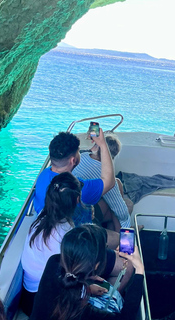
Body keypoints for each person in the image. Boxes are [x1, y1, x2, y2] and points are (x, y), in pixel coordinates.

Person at [21, 172, 133, 316]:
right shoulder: (65, 235)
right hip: (55, 297)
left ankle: (124, 252)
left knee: (116, 234)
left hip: (30, 296)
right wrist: (88, 289)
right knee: (128, 266)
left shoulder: (43, 216)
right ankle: (108, 304)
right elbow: (69, 277)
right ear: (77, 199)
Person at [30, 225, 145, 320]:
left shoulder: (54, 262)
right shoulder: (86, 314)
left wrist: (87, 288)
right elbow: (126, 317)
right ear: (96, 265)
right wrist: (139, 269)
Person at [33, 130, 115, 222]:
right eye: (78, 151)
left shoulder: (43, 174)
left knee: (103, 207)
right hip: (76, 234)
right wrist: (103, 144)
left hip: (47, 226)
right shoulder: (78, 188)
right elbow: (110, 182)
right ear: (73, 160)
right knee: (114, 216)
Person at [73, 134, 130, 231]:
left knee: (117, 184)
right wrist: (127, 223)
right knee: (126, 206)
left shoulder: (83, 156)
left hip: (73, 206)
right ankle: (119, 237)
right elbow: (120, 210)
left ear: (95, 147)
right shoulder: (101, 171)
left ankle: (113, 231)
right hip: (85, 212)